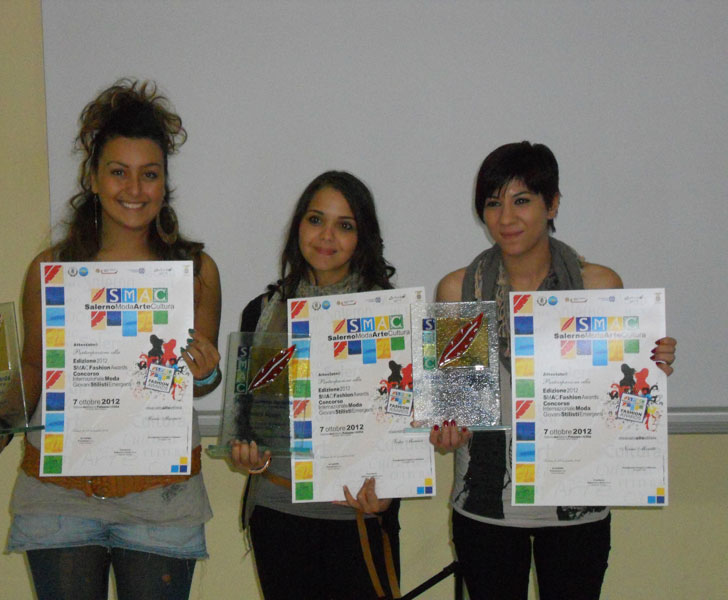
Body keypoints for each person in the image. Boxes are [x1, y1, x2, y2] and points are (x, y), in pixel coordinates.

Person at [0, 80, 221, 600]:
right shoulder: (53, 269)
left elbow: (198, 381)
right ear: (93, 178)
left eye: (149, 174)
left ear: (165, 182)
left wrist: (206, 371)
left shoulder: (194, 271)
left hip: (160, 496)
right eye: (118, 172)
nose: (134, 188)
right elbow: (34, 369)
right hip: (59, 497)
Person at [431, 141, 677, 600]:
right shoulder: (459, 290)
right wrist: (447, 429)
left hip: (578, 507)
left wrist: (651, 371)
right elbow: (459, 408)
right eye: (493, 203)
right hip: (486, 509)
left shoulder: (598, 287)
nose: (506, 218)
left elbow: (618, 400)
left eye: (522, 200)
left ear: (553, 204)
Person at [229, 171, 401, 600]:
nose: (327, 236)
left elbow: (402, 422)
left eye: (345, 225)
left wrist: (390, 493)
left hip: (358, 515)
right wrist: (246, 450)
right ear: (298, 227)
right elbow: (244, 418)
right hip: (279, 511)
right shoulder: (261, 313)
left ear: (363, 237)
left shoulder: (391, 315)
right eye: (316, 219)